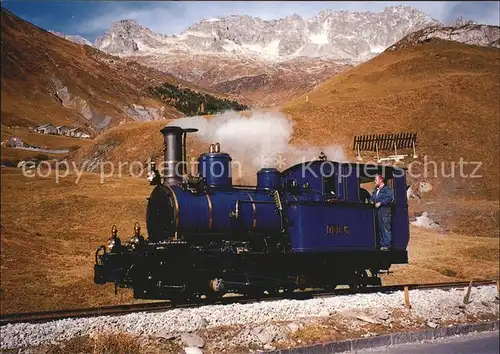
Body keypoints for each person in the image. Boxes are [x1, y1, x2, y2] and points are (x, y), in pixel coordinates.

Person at [371, 173, 394, 250]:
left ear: (381, 180)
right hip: (377, 211)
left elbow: (390, 198)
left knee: (385, 228)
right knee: (379, 228)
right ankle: (381, 245)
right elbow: (372, 197)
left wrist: (381, 203)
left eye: (376, 179)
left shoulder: (386, 189)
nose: (374, 181)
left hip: (384, 211)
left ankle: (387, 245)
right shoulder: (376, 190)